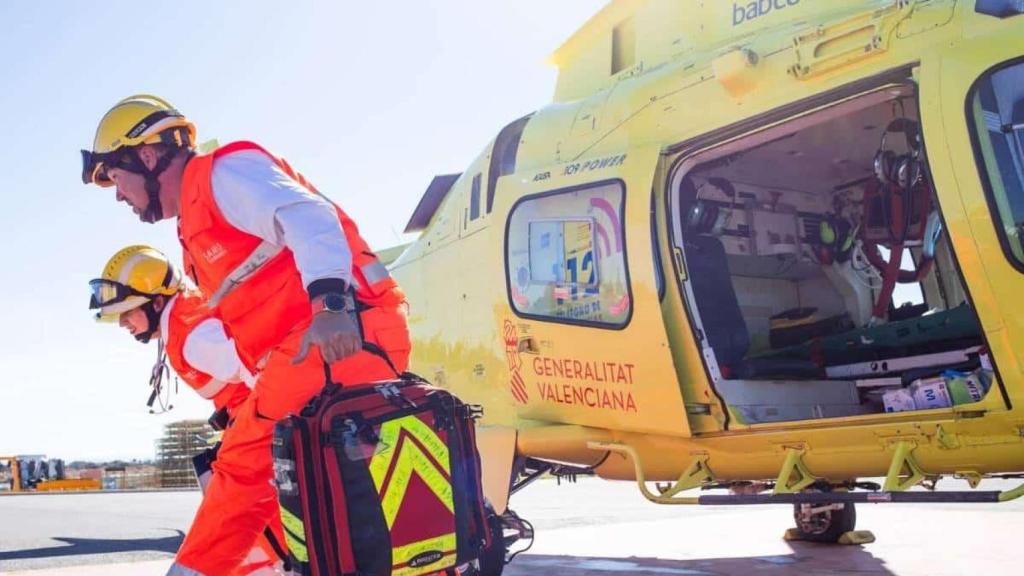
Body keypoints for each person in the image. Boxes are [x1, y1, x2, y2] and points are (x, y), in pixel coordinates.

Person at [82, 95, 411, 576]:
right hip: (320, 345)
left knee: (243, 472)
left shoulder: (222, 175)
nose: (117, 195)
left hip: (338, 336)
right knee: (329, 489)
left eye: (115, 178)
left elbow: (310, 217)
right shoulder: (194, 222)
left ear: (147, 157)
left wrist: (332, 306)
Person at [89, 245, 290, 576]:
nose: (123, 322)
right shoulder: (187, 316)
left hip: (262, 438)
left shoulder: (193, 336)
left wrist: (251, 427)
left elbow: (262, 373)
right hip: (256, 430)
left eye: (128, 312)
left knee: (241, 528)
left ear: (156, 302)